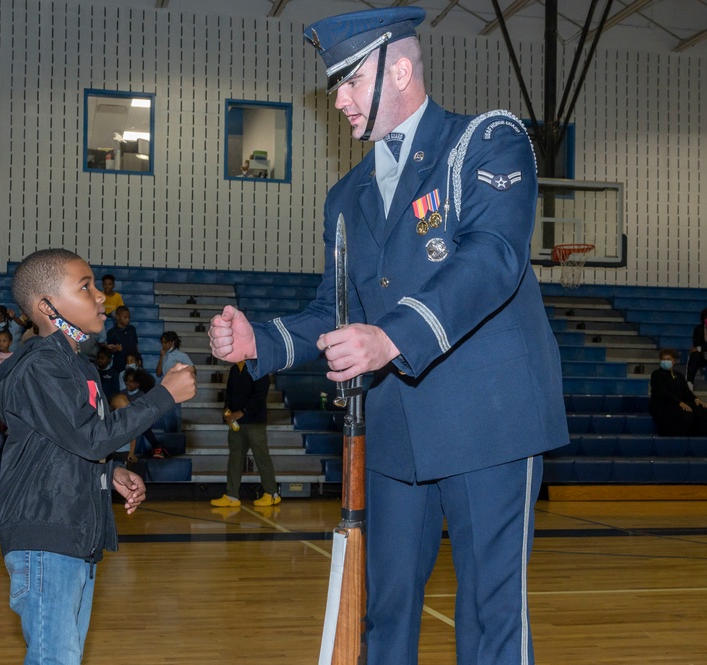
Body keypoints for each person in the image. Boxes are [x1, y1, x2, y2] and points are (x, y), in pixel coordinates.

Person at [209, 8, 567, 664]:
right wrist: (258, 340)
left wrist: (390, 339)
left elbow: (490, 257)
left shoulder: (485, 140)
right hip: (396, 428)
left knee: (491, 611)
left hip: (489, 421)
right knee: (384, 605)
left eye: (347, 81)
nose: (337, 99)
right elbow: (334, 308)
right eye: (333, 85)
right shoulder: (346, 196)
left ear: (398, 68)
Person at [0, 248, 196, 665]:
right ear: (47, 307)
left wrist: (111, 473)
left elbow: (64, 446)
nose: (101, 296)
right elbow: (89, 439)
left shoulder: (77, 367)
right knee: (55, 658)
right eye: (84, 287)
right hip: (46, 533)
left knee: (64, 656)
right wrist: (163, 397)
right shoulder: (40, 367)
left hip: (72, 531)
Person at [210, 362, 280, 507]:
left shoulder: (260, 367)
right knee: (235, 458)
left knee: (261, 457)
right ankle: (232, 495)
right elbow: (229, 392)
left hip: (254, 421)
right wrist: (227, 410)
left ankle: (272, 494)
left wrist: (242, 412)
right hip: (236, 423)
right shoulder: (235, 368)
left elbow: (260, 396)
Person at [649, 348, 707, 437]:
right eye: (663, 359)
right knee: (686, 414)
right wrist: (679, 402)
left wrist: (696, 399)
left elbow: (686, 391)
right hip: (663, 404)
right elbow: (663, 393)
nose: (665, 361)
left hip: (678, 402)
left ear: (673, 361)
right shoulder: (657, 374)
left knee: (702, 409)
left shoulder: (679, 375)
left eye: (668, 359)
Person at [156, 331, 194, 432]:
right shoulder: (164, 355)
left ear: (172, 342)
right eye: (162, 343)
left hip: (176, 388)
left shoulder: (181, 356)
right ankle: (169, 438)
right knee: (166, 413)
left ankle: (176, 438)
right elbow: (158, 373)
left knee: (176, 413)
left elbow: (192, 369)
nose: (163, 345)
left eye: (165, 343)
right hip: (164, 388)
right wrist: (161, 357)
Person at [105, 305, 139, 374]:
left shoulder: (132, 329)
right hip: (119, 365)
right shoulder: (112, 332)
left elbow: (136, 346)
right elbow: (110, 350)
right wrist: (116, 349)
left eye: (129, 317)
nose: (128, 319)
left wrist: (138, 359)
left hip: (132, 365)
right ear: (117, 317)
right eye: (125, 317)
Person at [686, 307, 707, 390]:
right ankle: (689, 383)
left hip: (703, 351)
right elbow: (696, 345)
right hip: (702, 356)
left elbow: (699, 347)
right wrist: (700, 349)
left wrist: (701, 348)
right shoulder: (698, 329)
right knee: (694, 355)